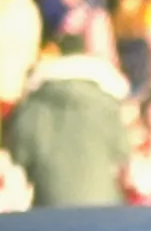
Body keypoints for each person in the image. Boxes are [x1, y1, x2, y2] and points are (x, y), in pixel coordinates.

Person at [5, 33, 131, 205]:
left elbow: (19, 154)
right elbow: (122, 150)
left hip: (51, 207)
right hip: (103, 207)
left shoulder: (33, 106)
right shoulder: (106, 105)